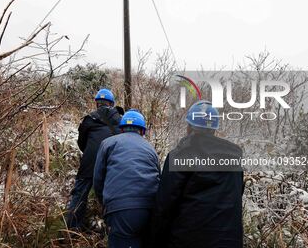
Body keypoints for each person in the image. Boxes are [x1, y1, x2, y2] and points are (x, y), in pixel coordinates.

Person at [151, 100, 244, 248]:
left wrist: (154, 240)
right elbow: (236, 196)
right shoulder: (234, 159)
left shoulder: (180, 155)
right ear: (214, 129)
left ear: (189, 126)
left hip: (188, 240)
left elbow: (164, 205)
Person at [94, 109, 160, 248]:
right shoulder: (150, 149)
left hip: (120, 208)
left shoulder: (108, 143)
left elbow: (98, 179)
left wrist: (105, 204)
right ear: (142, 131)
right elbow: (158, 177)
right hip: (149, 207)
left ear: (122, 128)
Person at [66, 88, 122, 231]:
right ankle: (111, 228)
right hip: (112, 164)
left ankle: (72, 230)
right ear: (111, 104)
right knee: (112, 196)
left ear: (97, 104)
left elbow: (81, 143)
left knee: (79, 195)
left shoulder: (89, 119)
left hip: (89, 163)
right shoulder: (121, 121)